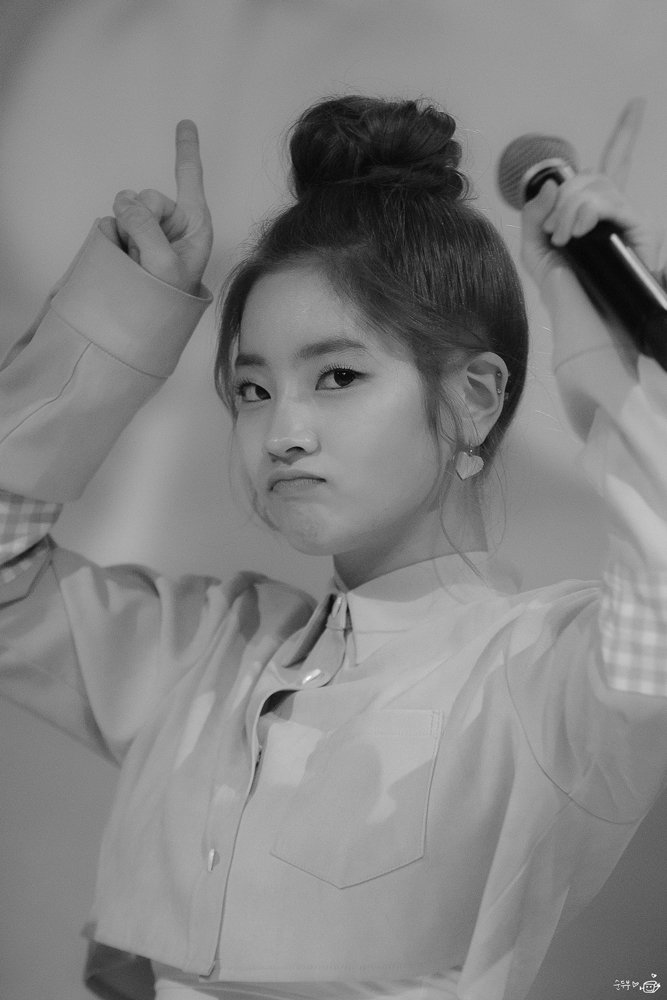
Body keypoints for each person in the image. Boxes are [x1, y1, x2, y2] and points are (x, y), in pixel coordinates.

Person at [1, 96, 666, 1000]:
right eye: (252, 389)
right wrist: (121, 317)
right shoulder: (207, 653)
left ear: (473, 398)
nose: (282, 433)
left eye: (338, 376)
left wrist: (605, 336)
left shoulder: (547, 679)